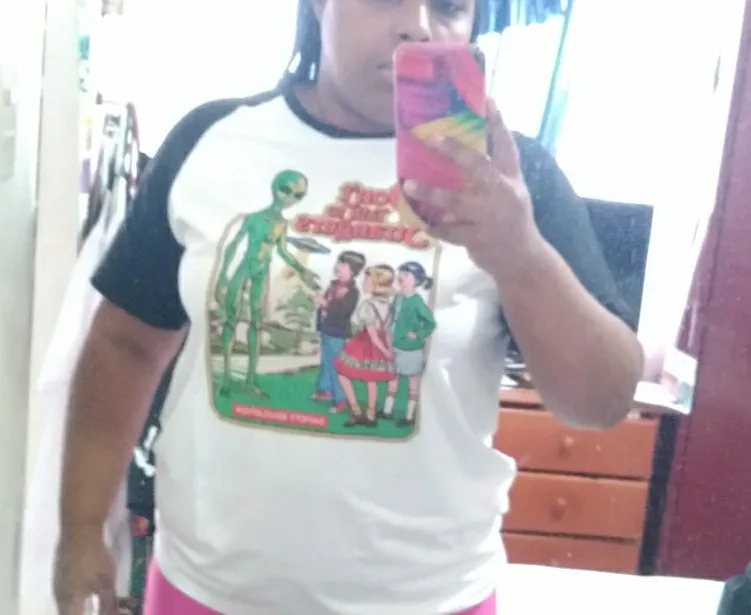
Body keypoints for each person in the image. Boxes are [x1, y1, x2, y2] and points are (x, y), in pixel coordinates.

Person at [54, 1, 643, 614]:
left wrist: (520, 254)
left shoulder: (508, 180)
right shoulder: (212, 142)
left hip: (430, 601)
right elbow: (125, 345)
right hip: (206, 592)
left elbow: (601, 402)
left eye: (449, 5)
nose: (419, 24)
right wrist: (80, 528)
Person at [333, 264, 396, 425]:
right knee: (371, 379)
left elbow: (373, 336)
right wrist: (388, 349)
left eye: (367, 280)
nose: (363, 282)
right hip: (380, 344)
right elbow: (387, 332)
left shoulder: (368, 305)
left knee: (342, 373)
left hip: (365, 344)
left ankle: (356, 411)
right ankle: (370, 414)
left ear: (375, 284)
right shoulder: (388, 305)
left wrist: (386, 351)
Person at [383, 261, 436, 426]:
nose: (401, 277)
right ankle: (386, 411)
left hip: (412, 349)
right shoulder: (398, 298)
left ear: (416, 281)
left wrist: (418, 334)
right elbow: (391, 317)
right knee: (392, 380)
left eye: (406, 275)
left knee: (413, 383)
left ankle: (409, 416)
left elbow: (431, 323)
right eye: (400, 274)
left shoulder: (417, 302)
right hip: (395, 345)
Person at [313, 249, 366, 411]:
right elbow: (326, 303)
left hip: (337, 333)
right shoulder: (333, 285)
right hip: (325, 328)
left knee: (335, 366)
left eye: (343, 265)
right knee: (325, 362)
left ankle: (341, 399)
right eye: (338, 263)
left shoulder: (353, 291)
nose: (337, 267)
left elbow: (344, 311)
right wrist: (320, 304)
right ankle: (325, 390)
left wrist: (325, 304)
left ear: (352, 271)